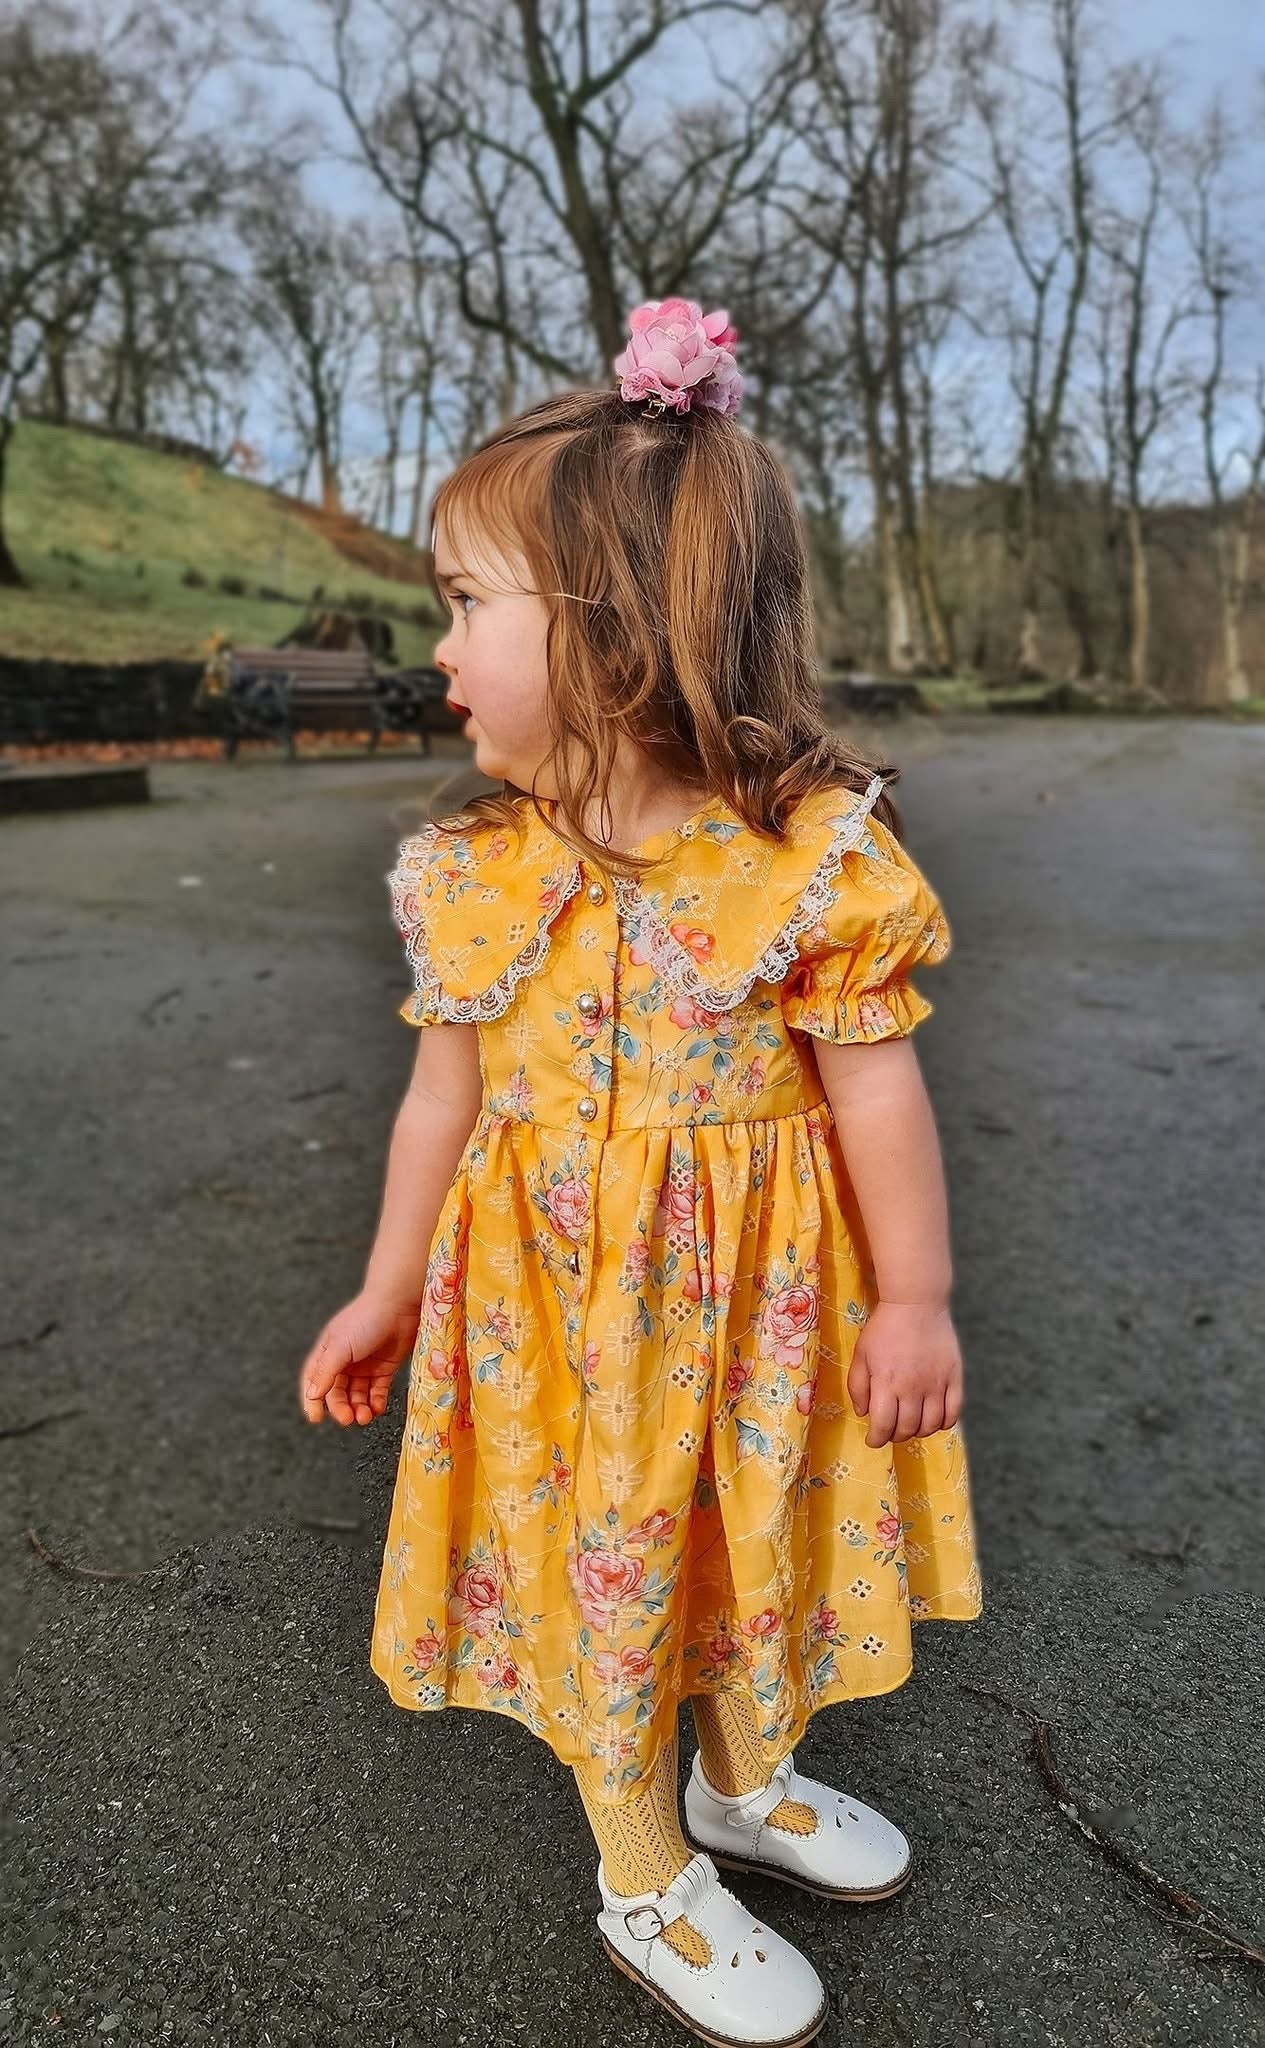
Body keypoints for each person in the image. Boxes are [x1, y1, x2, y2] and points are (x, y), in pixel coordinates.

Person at [298, 297, 983, 2048]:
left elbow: (878, 1091)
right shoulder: (474, 871)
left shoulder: (801, 860)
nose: (438, 645)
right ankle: (641, 1869)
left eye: (468, 603)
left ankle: (741, 1784)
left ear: (617, 628)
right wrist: (384, 1285)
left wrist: (913, 1299)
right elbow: (439, 1101)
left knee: (739, 1545)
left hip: (751, 1313)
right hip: (552, 1325)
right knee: (607, 1566)